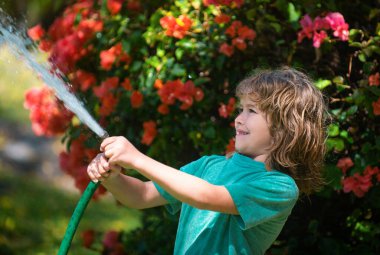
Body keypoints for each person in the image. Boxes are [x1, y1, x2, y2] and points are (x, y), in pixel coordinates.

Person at [87, 67, 329, 255]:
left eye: (252, 111)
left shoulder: (278, 187)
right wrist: (112, 177)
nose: (238, 119)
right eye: (240, 109)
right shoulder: (209, 166)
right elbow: (140, 196)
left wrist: (137, 159)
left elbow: (207, 197)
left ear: (285, 129)